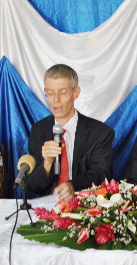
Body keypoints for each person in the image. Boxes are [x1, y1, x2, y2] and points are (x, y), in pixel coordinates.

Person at [27, 64, 114, 198]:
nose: (56, 100)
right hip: (47, 208)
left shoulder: (100, 133)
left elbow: (101, 174)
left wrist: (73, 186)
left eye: (62, 92)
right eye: (50, 93)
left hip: (84, 208)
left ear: (76, 93)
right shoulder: (39, 130)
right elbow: (34, 186)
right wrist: (47, 164)